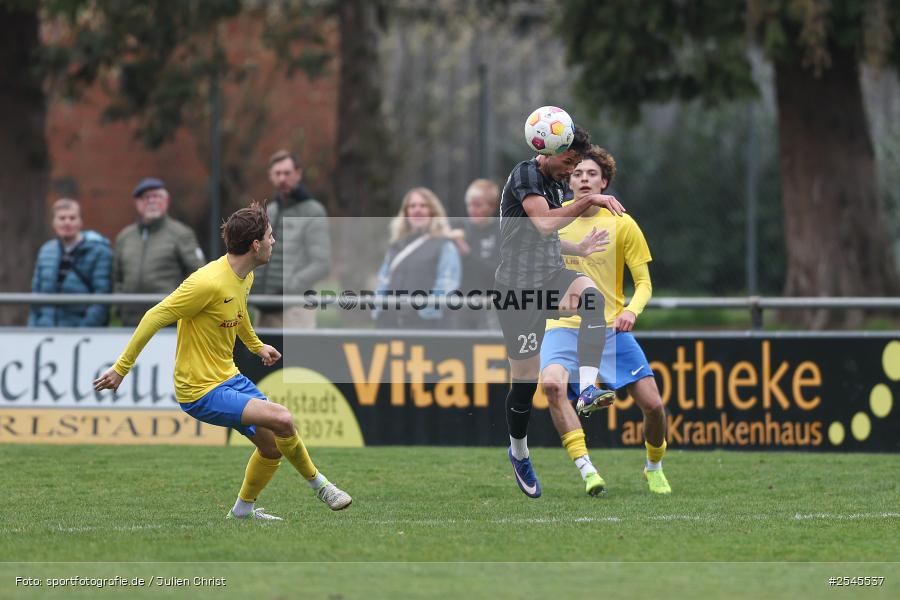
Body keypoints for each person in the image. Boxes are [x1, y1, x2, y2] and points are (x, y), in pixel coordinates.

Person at [93, 202, 351, 520]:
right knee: (283, 419)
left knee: (271, 448)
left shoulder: (244, 276)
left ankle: (242, 512)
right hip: (199, 390)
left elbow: (238, 314)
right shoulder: (206, 282)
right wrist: (121, 368)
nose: (274, 242)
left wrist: (256, 347)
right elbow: (154, 315)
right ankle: (323, 487)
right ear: (255, 245)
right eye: (271, 236)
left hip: (228, 377)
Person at [494, 125, 625, 498]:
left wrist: (578, 249)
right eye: (568, 163)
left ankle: (585, 388)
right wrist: (591, 201)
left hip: (550, 276)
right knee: (524, 384)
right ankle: (518, 451)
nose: (571, 172)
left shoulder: (556, 179)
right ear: (548, 151)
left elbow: (548, 234)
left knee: (591, 299)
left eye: (576, 164)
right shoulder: (525, 174)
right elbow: (544, 222)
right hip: (517, 291)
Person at [542, 146, 670, 495]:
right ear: (568, 182)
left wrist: (631, 310)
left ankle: (654, 466)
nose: (583, 179)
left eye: (591, 174)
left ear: (605, 182)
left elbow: (643, 283)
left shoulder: (622, 223)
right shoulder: (554, 223)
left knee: (655, 406)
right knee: (552, 387)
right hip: (563, 327)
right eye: (577, 174)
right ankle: (587, 471)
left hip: (611, 329)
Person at [253, 150, 331, 329]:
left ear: (298, 174)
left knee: (297, 358)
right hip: (264, 308)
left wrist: (288, 287)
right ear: (270, 176)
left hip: (295, 308)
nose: (282, 178)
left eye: (287, 173)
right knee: (265, 358)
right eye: (277, 173)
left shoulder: (313, 211)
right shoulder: (269, 211)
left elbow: (321, 263)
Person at [114, 177, 205, 326]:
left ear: (167, 201)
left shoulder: (181, 234)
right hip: (131, 322)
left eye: (156, 196)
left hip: (168, 322)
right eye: (146, 197)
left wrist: (182, 307)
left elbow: (198, 273)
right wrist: (120, 307)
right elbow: (116, 277)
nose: (151, 201)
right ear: (137, 204)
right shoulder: (124, 237)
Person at [374, 187, 461, 329]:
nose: (417, 210)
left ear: (432, 211)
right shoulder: (396, 246)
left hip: (424, 326)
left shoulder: (445, 245)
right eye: (412, 206)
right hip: (390, 324)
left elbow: (447, 285)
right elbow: (383, 282)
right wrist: (380, 312)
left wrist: (423, 314)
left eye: (423, 205)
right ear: (406, 213)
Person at [28, 198, 112, 327]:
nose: (67, 222)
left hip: (81, 333)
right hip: (45, 331)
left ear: (80, 221)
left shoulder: (99, 252)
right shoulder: (46, 251)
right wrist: (33, 328)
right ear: (54, 222)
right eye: (62, 218)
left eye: (72, 218)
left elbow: (101, 298)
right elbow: (36, 296)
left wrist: (82, 330)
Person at [450, 179, 501, 329]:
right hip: (459, 305)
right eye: (469, 205)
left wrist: (466, 254)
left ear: (491, 206)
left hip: (489, 306)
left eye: (478, 205)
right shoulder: (458, 228)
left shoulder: (501, 231)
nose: (472, 210)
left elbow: (497, 272)